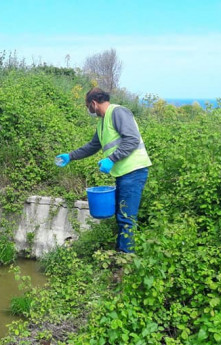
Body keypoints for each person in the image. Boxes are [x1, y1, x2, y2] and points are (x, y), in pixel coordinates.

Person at [56, 88, 151, 253]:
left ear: (93, 103)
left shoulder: (118, 112)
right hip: (123, 173)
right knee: (122, 215)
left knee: (126, 217)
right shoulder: (102, 122)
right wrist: (70, 156)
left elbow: (132, 139)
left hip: (134, 171)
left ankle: (126, 259)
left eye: (88, 107)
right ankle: (122, 252)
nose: (89, 111)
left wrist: (111, 159)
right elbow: (93, 146)